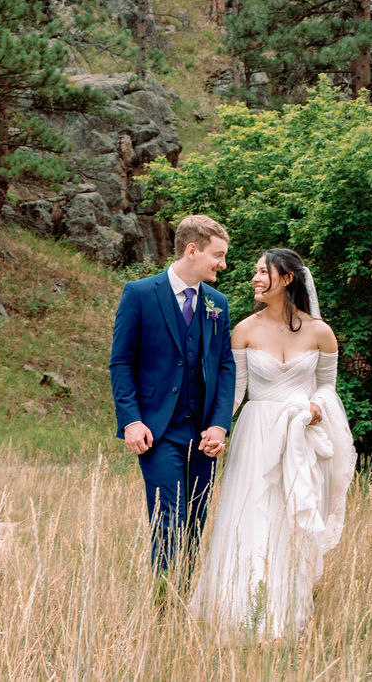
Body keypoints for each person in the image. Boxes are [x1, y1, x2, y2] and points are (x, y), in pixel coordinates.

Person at [192, 248, 356, 639]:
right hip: (256, 432)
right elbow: (237, 390)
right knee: (252, 516)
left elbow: (327, 386)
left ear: (286, 279)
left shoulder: (320, 332)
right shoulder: (244, 329)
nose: (255, 279)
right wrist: (217, 429)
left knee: (289, 521)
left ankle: (284, 613)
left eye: (262, 272)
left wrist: (316, 407)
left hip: (299, 434)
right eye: (254, 272)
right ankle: (239, 613)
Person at [110, 215, 236, 579]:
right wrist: (131, 420)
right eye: (218, 255)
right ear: (192, 250)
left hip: (203, 434)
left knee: (195, 521)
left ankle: (185, 601)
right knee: (168, 516)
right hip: (157, 428)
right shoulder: (140, 293)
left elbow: (225, 365)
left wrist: (219, 425)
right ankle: (165, 606)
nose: (223, 264)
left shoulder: (218, 303)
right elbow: (121, 362)